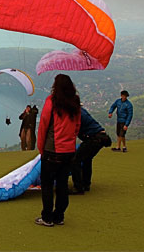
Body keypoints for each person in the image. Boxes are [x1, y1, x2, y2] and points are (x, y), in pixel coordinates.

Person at [35, 74, 81, 227]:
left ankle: (47, 217)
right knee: (62, 184)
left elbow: (43, 125)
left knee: (47, 184)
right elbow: (77, 127)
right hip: (68, 151)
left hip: (52, 151)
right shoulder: (75, 102)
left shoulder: (52, 101)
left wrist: (41, 147)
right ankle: (59, 216)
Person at [70, 107, 110, 194]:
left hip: (94, 139)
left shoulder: (75, 112)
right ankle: (86, 184)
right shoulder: (80, 110)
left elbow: (74, 130)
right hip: (100, 137)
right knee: (87, 159)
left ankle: (78, 187)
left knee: (75, 160)